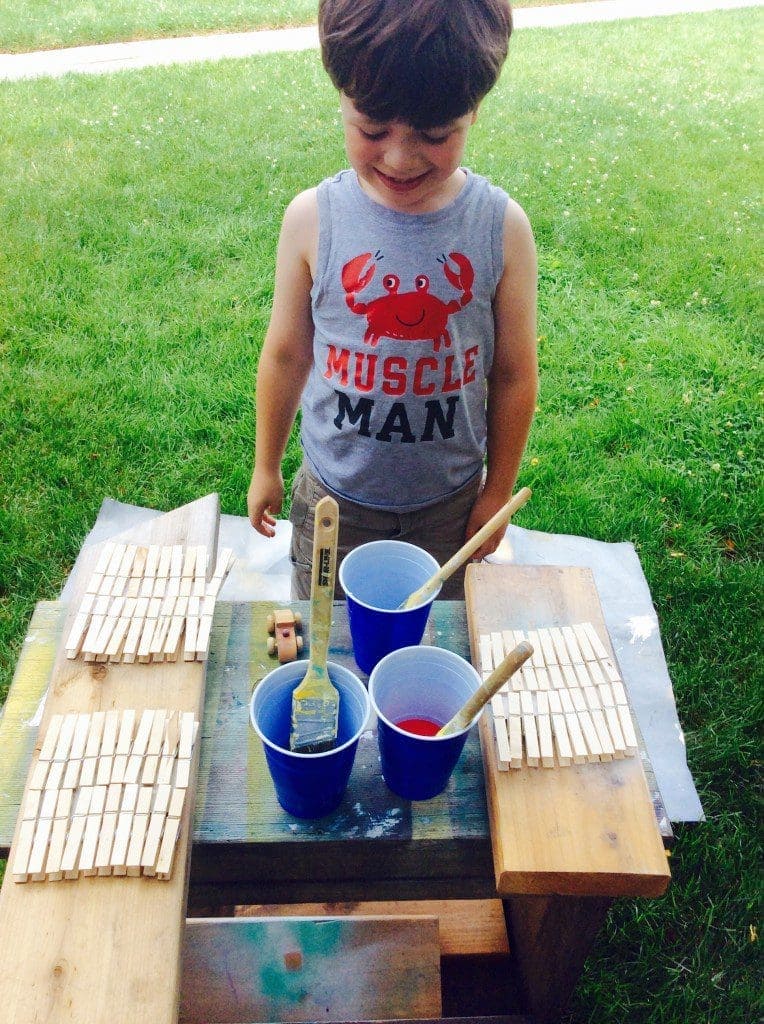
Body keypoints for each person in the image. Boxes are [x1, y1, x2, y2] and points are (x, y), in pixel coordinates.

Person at [247, 0, 538, 600]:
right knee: (324, 631)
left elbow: (513, 375)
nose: (400, 159)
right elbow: (286, 355)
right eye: (372, 130)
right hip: (334, 504)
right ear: (341, 97)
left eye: (435, 135)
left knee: (436, 629)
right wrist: (265, 465)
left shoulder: (502, 229)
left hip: (450, 507)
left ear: (474, 109)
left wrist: (496, 492)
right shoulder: (311, 220)